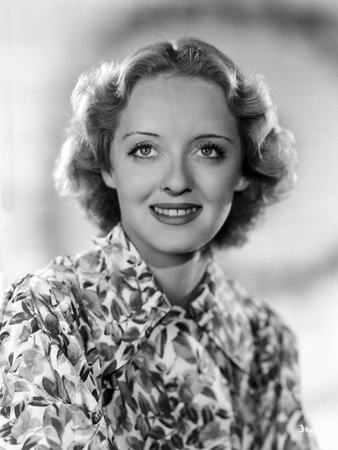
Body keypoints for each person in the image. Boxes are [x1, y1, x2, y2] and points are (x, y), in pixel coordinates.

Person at [0, 38, 316, 450]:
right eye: (145, 149)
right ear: (108, 166)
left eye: (208, 150)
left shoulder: (267, 340)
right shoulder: (44, 313)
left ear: (243, 169)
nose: (178, 180)